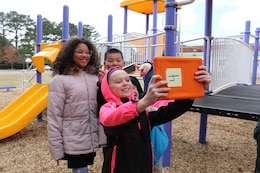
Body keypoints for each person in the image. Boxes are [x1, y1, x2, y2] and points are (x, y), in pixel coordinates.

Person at [99, 65, 211, 173]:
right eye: (118, 82)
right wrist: (142, 104)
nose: (125, 84)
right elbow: (110, 120)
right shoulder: (108, 108)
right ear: (108, 88)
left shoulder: (144, 108)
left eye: (128, 80)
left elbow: (170, 109)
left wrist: (193, 89)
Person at [47, 36, 100, 173]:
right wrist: (56, 148)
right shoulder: (60, 81)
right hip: (74, 141)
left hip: (91, 138)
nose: (85, 55)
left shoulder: (95, 78)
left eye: (88, 52)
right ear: (70, 53)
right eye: (80, 52)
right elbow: (54, 117)